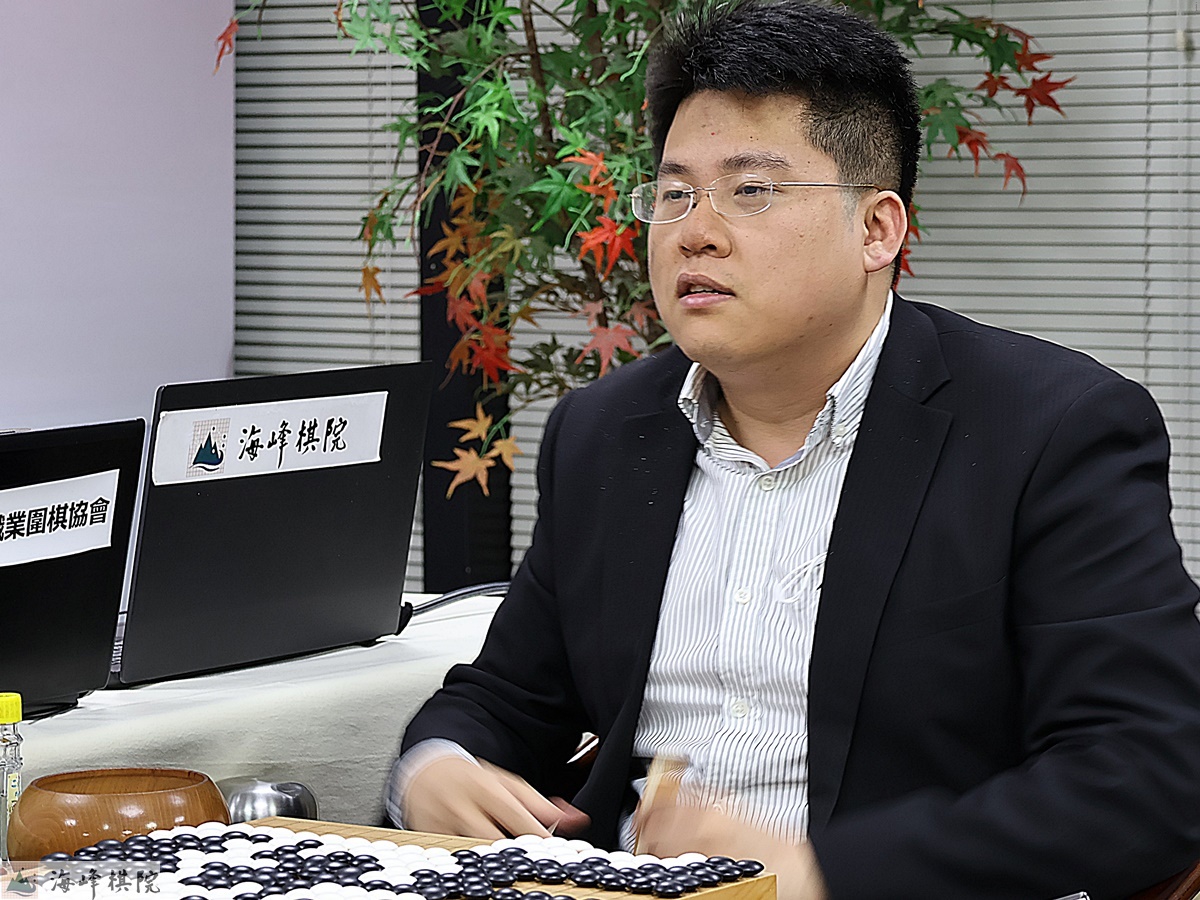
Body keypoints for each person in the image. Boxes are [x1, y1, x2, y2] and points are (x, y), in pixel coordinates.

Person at [390, 1, 1200, 897]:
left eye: (751, 190)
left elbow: (1148, 775)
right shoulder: (606, 432)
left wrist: (819, 872)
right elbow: (511, 696)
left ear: (877, 230)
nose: (694, 230)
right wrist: (436, 765)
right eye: (674, 193)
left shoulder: (1050, 429)